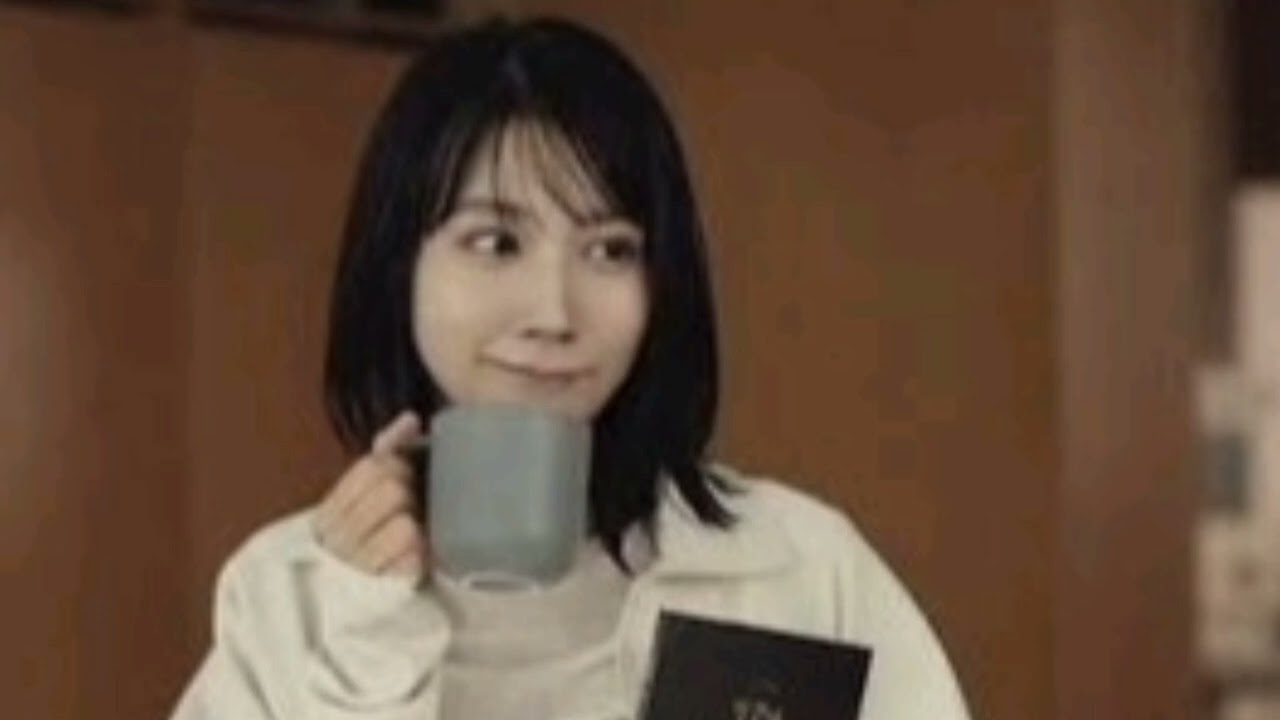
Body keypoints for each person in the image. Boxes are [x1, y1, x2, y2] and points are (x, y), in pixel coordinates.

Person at [170, 15, 972, 720]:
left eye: (610, 250)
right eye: (496, 242)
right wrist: (362, 644)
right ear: (397, 267)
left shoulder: (796, 567)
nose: (553, 311)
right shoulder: (293, 596)